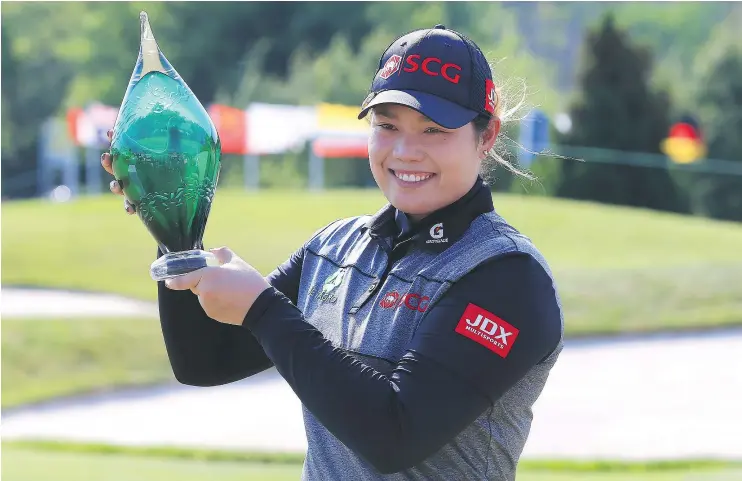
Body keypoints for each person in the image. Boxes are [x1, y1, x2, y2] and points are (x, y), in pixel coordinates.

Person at [102, 24, 563, 481]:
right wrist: (173, 228)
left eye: (433, 130)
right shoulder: (336, 248)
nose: (405, 150)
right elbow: (206, 361)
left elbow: (396, 434)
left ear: (485, 136)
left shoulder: (507, 275)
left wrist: (263, 310)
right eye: (387, 126)